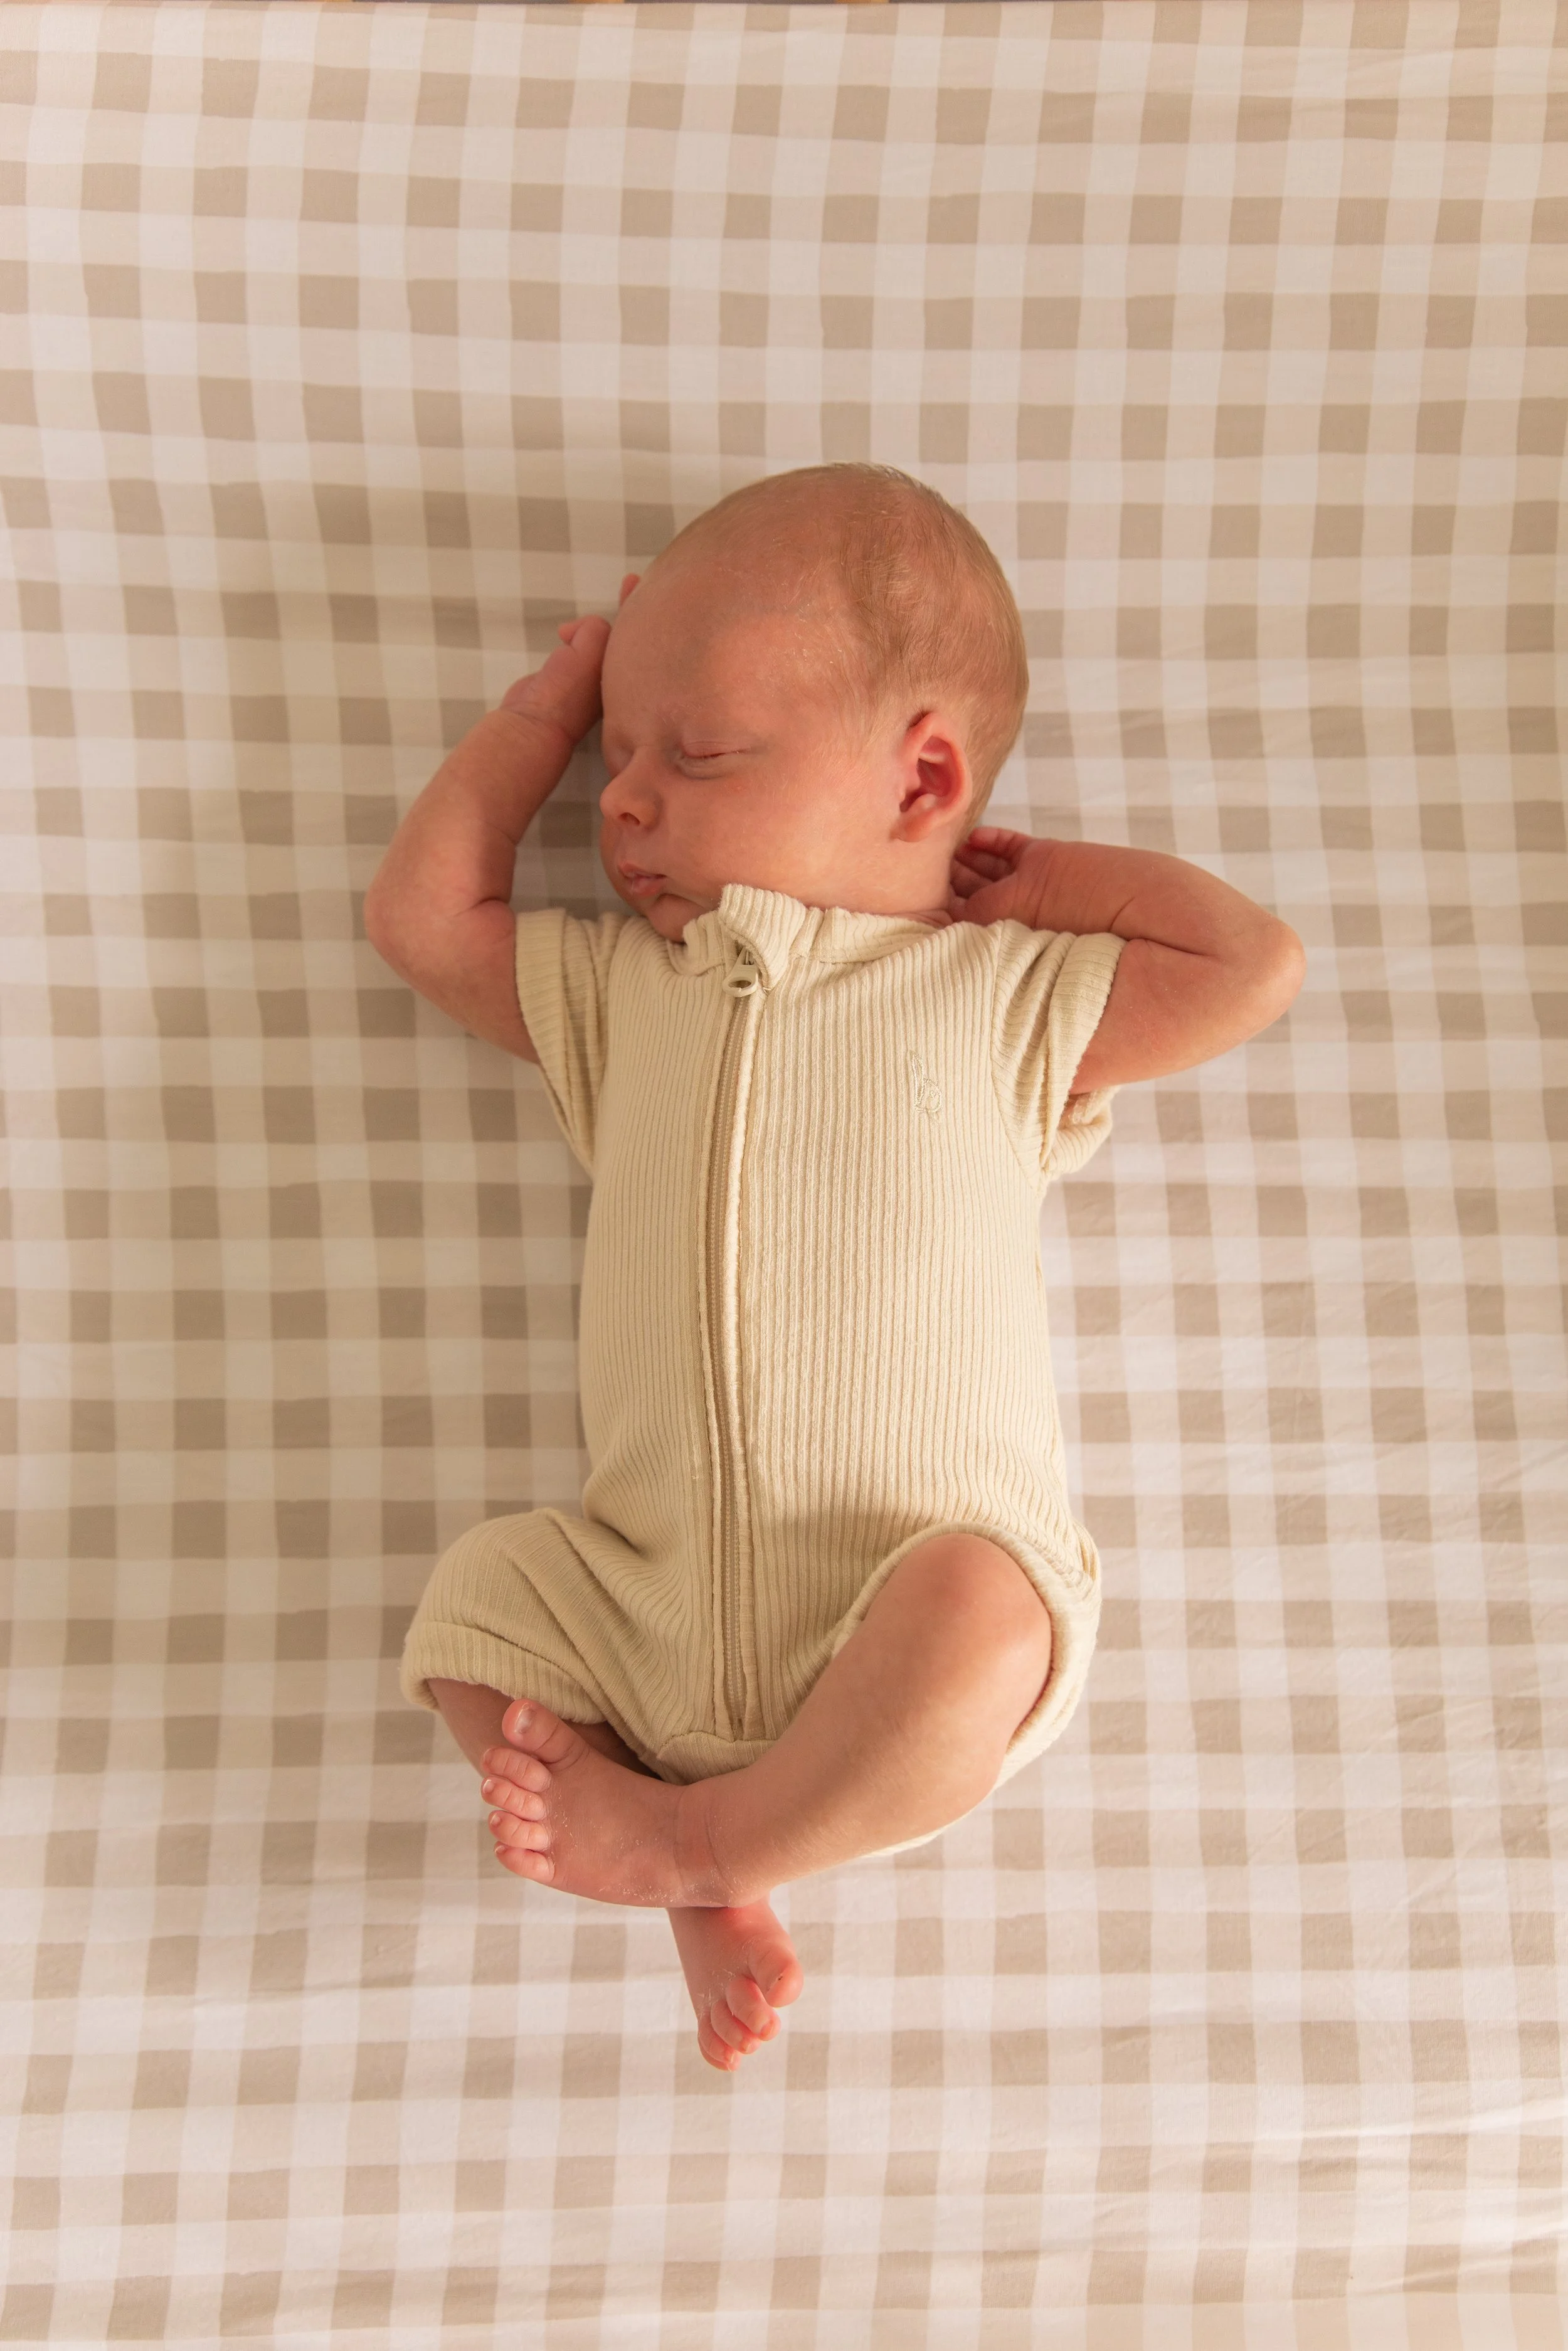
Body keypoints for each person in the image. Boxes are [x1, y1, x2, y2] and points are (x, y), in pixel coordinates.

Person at [363, 464, 1304, 2072]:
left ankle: (710, 1844)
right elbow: (421, 916)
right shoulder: (621, 998)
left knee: (989, 1604)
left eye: (697, 752)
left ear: (922, 774)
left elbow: (1248, 966)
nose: (625, 802)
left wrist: (1020, 882)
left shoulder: (998, 999)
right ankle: (688, 1831)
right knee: (475, 1607)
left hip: (899, 1612)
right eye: (616, 758)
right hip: (637, 1602)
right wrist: (539, 713)